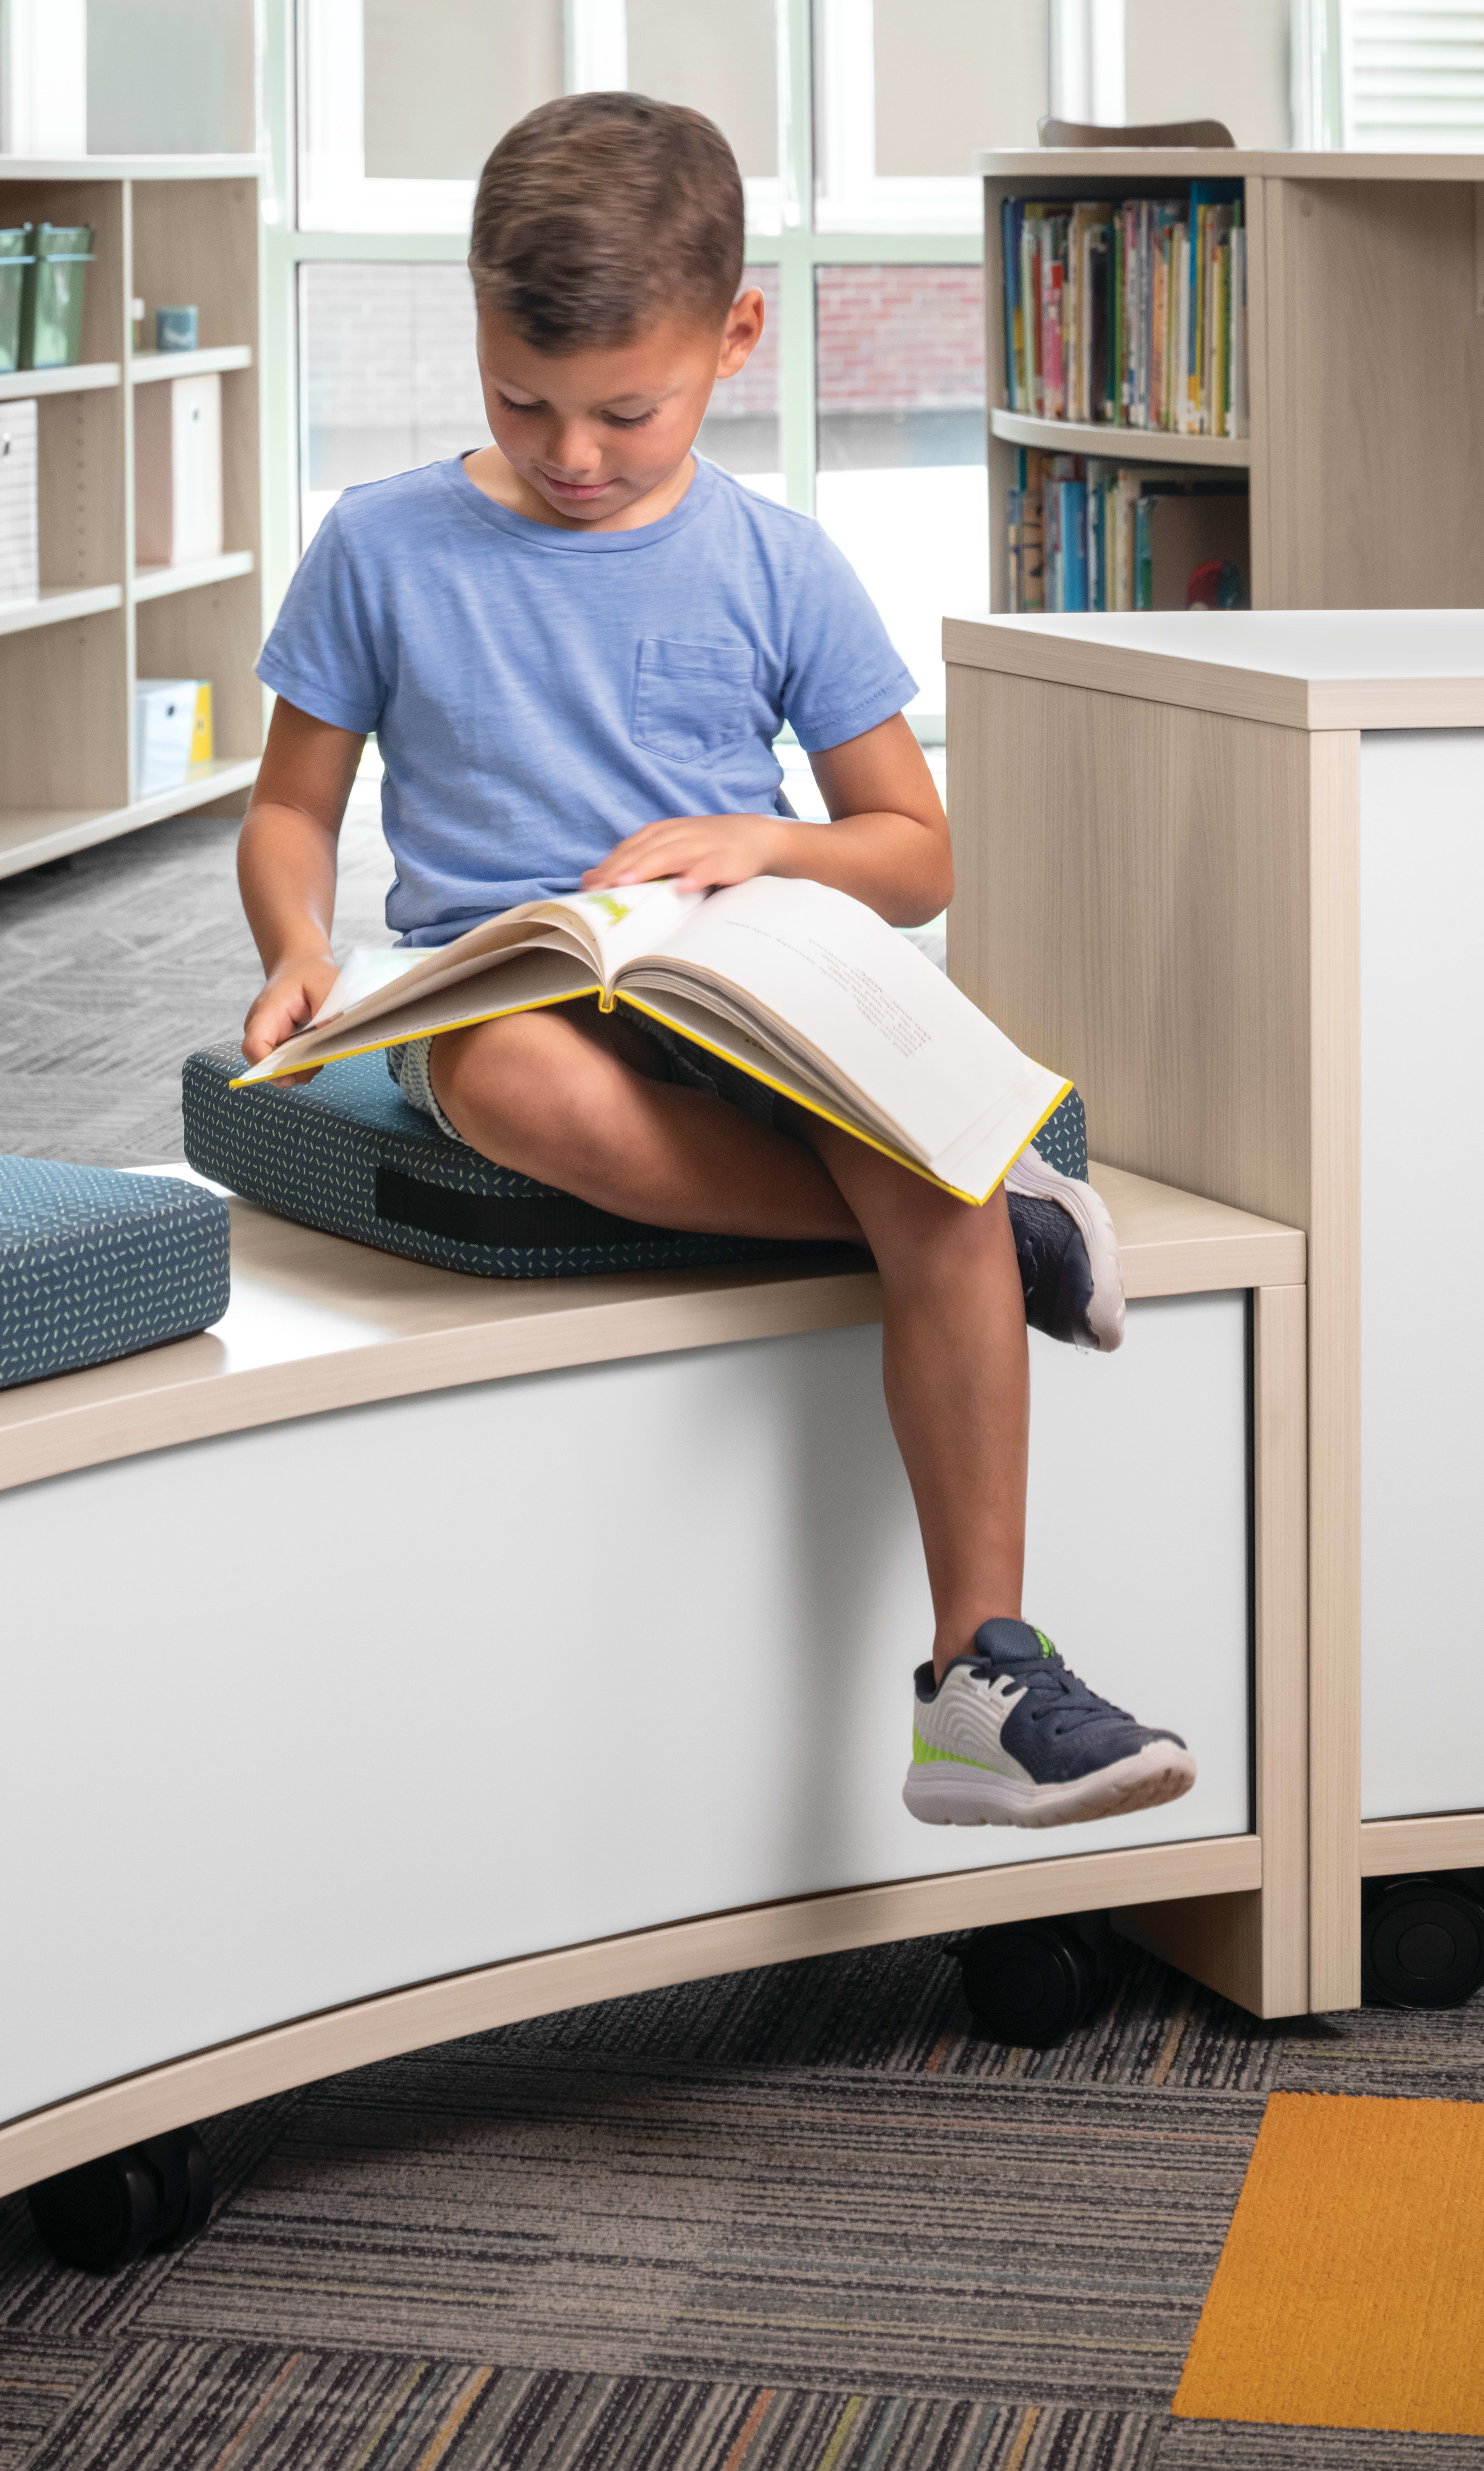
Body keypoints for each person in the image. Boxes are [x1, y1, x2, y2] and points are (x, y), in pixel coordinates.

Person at [236, 92, 1194, 1830]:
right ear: (471, 323)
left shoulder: (775, 562)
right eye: (523, 401)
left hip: (743, 966)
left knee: (896, 1111)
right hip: (504, 977)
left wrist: (762, 844)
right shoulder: (380, 543)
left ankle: (983, 1673)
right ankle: (996, 1213)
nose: (572, 453)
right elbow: (292, 811)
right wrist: (299, 942)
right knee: (539, 1090)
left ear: (734, 336)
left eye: (629, 409)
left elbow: (913, 854)